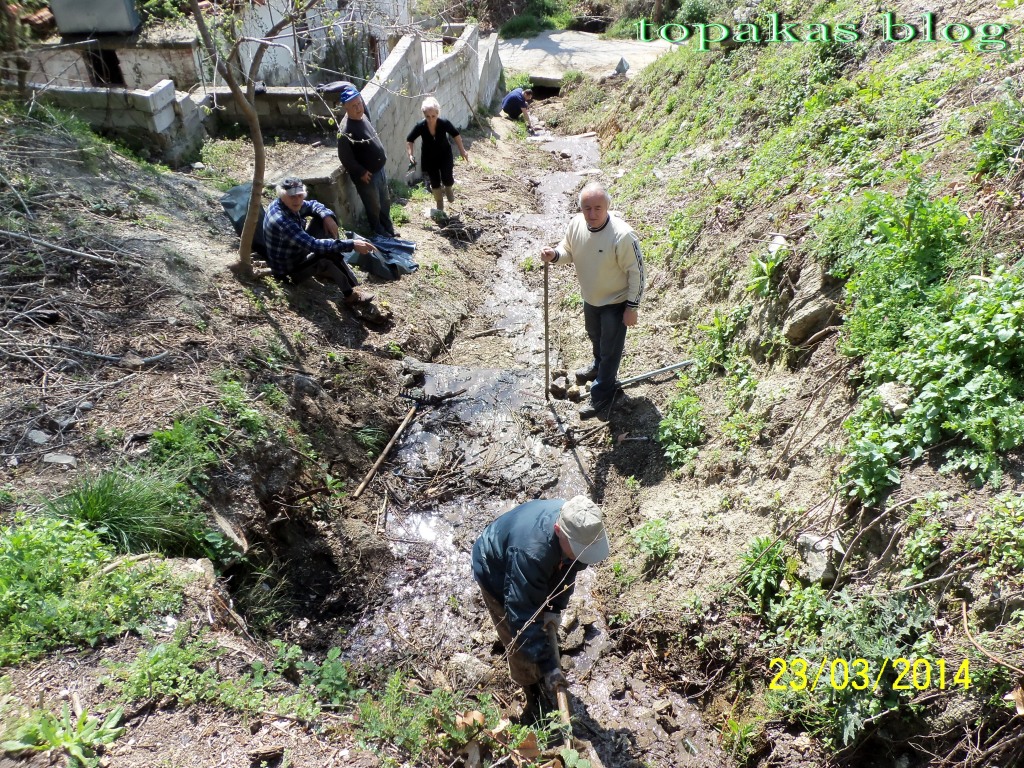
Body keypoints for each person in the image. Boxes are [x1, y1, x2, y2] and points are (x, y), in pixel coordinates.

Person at [471, 496, 609, 717]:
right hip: (495, 568)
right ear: (558, 530)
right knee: (518, 638)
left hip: (531, 563)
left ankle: (540, 660)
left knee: (538, 622)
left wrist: (554, 608)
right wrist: (549, 666)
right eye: (578, 549)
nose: (582, 555)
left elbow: (569, 570)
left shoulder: (579, 525)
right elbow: (520, 616)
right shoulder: (531, 552)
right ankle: (531, 691)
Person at [541, 183, 645, 420]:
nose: (592, 213)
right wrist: (554, 255)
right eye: (587, 208)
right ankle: (598, 366)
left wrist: (632, 307)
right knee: (595, 335)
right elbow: (568, 250)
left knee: (610, 349)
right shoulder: (576, 224)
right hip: (591, 299)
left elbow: (637, 273)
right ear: (581, 208)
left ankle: (602, 394)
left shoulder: (622, 235)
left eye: (598, 208)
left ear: (607, 207)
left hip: (616, 302)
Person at [263, 177, 376, 307]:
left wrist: (327, 216)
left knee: (321, 220)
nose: (297, 200)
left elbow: (313, 205)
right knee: (328, 254)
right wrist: (352, 244)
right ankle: (351, 294)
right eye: (292, 196)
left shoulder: (288, 204)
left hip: (297, 250)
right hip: (289, 270)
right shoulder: (282, 221)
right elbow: (314, 245)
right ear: (282, 196)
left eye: (300, 195)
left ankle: (328, 270)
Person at [333, 82, 397, 238]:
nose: (358, 108)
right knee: (373, 204)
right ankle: (378, 230)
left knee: (384, 200)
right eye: (353, 106)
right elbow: (345, 157)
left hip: (379, 170)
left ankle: (388, 227)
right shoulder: (346, 130)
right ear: (346, 108)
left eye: (359, 103)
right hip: (367, 176)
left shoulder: (363, 116)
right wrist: (360, 171)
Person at [406, 96, 470, 213]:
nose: (430, 119)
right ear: (424, 115)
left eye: (433, 116)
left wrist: (462, 151)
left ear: (437, 113)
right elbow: (410, 139)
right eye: (427, 116)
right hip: (429, 157)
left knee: (447, 176)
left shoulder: (444, 123)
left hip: (445, 155)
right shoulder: (421, 126)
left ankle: (448, 188)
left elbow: (456, 135)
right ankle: (439, 202)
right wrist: (410, 155)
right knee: (434, 181)